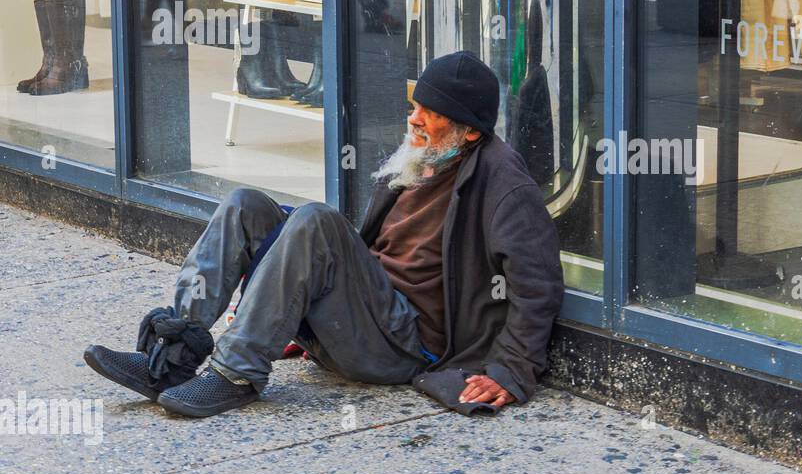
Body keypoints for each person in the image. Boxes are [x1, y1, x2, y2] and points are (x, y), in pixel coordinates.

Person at [84, 52, 565, 418]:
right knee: (244, 204)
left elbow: (537, 283)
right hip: (363, 318)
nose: (414, 118)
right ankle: (171, 355)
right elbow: (368, 255)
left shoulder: (505, 183)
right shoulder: (427, 157)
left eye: (429, 112)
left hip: (404, 346)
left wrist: (510, 370)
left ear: (470, 132)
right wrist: (286, 307)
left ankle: (236, 372)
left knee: (318, 219)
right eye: (415, 105)